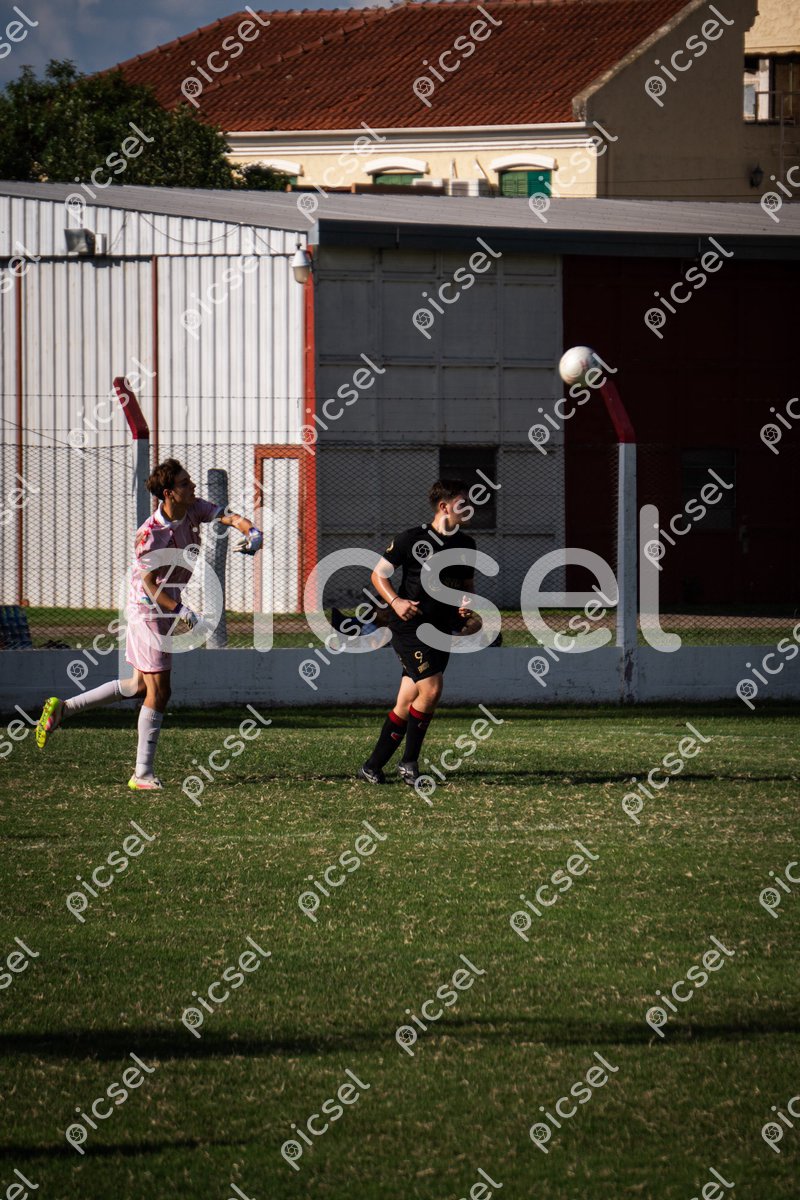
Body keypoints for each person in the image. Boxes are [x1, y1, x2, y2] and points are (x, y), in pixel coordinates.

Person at [34, 459, 263, 789]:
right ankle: (142, 775)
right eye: (185, 483)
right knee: (161, 690)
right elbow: (149, 585)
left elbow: (227, 515)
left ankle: (63, 709)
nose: (193, 487)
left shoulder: (192, 507)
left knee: (138, 687)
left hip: (165, 609)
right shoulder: (149, 534)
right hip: (147, 611)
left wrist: (252, 532)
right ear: (168, 493)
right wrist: (183, 612)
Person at [358, 479, 476, 786]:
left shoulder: (467, 545)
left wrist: (465, 606)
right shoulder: (412, 538)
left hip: (442, 630)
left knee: (406, 701)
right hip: (411, 628)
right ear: (444, 507)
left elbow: (467, 587)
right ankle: (409, 762)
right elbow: (378, 575)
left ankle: (372, 766)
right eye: (463, 503)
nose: (469, 508)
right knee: (432, 690)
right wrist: (395, 602)